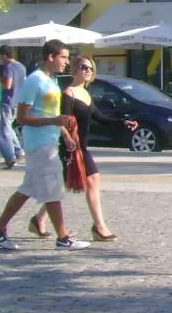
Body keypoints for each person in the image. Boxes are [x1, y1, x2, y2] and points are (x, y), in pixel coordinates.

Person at [0, 40, 91, 251]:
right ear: (51, 57)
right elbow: (22, 117)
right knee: (52, 190)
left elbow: (52, 115)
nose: (67, 62)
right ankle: (63, 237)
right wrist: (53, 122)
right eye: (63, 57)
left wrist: (65, 135)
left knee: (28, 189)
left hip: (49, 141)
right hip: (39, 144)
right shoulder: (35, 81)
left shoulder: (51, 82)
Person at [30, 55, 137, 242]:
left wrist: (123, 123)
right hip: (71, 146)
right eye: (83, 67)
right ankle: (99, 227)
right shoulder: (68, 94)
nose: (87, 71)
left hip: (81, 145)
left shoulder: (86, 94)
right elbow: (60, 119)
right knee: (92, 180)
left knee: (64, 185)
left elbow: (100, 117)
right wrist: (67, 137)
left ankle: (38, 219)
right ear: (74, 70)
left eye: (90, 68)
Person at [0, 45, 27, 163]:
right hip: (19, 101)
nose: (0, 59)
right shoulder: (21, 66)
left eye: (0, 56)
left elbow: (8, 85)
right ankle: (19, 151)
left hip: (8, 100)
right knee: (9, 128)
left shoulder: (8, 67)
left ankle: (10, 156)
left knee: (5, 130)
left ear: (4, 55)